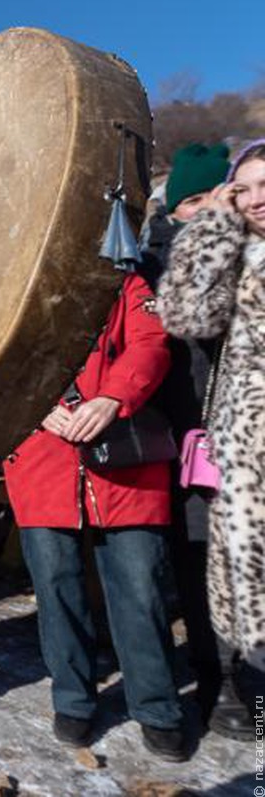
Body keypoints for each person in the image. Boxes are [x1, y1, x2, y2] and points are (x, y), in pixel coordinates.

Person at [3, 272, 185, 760]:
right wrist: (35, 406)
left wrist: (113, 396)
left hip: (126, 459)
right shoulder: (11, 283)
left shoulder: (125, 281)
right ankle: (73, 699)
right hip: (42, 458)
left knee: (140, 588)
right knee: (56, 588)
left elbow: (152, 341)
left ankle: (157, 707)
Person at [140, 143, 254, 741]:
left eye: (219, 197)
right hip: (193, 441)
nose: (210, 210)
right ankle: (223, 682)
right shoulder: (157, 263)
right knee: (203, 563)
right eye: (194, 201)